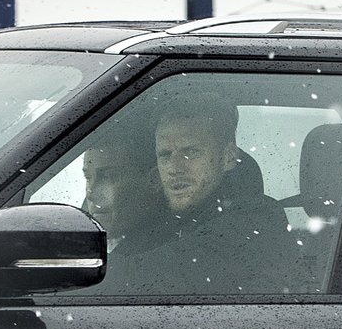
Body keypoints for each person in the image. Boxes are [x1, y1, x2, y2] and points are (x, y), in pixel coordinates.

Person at [104, 93, 305, 294]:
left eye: (190, 152)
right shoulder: (162, 222)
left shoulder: (257, 222)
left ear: (228, 157)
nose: (174, 167)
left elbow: (137, 278)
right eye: (165, 154)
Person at [81, 133, 158, 252]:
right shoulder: (88, 244)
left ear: (154, 181)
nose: (90, 194)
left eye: (107, 177)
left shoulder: (157, 256)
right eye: (88, 177)